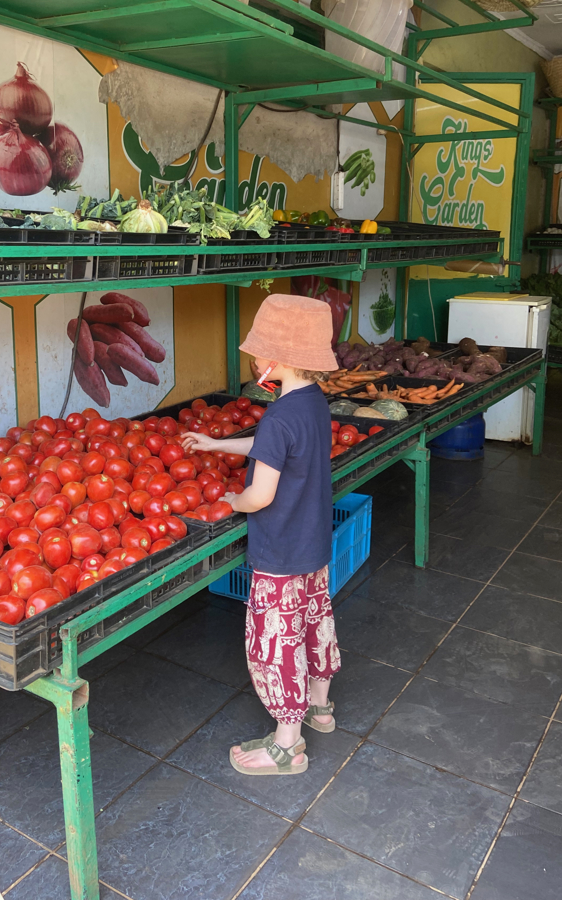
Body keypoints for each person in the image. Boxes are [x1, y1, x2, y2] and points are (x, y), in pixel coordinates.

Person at [182, 294, 341, 777]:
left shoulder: (278, 415)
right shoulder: (311, 403)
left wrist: (233, 501)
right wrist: (217, 443)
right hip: (313, 546)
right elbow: (275, 446)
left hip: (278, 553)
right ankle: (321, 710)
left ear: (279, 360)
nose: (253, 360)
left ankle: (288, 744)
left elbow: (261, 495)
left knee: (276, 642)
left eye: (258, 351)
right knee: (315, 623)